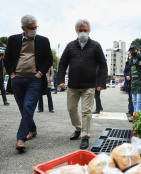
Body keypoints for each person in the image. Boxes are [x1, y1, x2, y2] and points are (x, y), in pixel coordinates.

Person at [4, 15, 53, 151]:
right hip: (17, 79)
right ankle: (32, 129)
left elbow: (49, 59)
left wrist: (39, 74)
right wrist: (12, 75)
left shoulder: (43, 41)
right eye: (31, 28)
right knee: (23, 109)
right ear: (23, 28)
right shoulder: (13, 39)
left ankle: (21, 138)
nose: (34, 30)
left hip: (34, 80)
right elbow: (6, 59)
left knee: (28, 107)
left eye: (35, 27)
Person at [58, 19, 108, 149]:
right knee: (71, 109)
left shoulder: (96, 46)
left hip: (89, 85)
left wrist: (102, 82)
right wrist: (60, 80)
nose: (83, 33)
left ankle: (85, 136)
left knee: (86, 111)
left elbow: (103, 64)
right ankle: (78, 128)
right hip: (73, 85)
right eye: (80, 30)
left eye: (85, 30)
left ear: (89, 31)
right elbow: (62, 63)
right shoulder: (70, 46)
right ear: (76, 31)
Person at [128, 45, 141, 112]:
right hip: (134, 82)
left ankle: (137, 115)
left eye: (134, 50)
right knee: (134, 100)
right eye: (131, 51)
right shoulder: (130, 60)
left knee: (139, 100)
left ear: (137, 51)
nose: (132, 52)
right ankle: (135, 114)